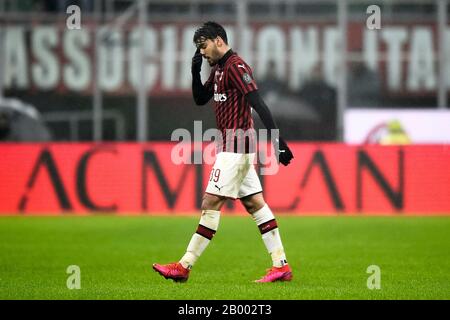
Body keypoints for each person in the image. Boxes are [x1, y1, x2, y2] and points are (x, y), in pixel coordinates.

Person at [153, 22, 294, 283]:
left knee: (210, 202)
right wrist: (195, 72)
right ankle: (281, 265)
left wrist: (278, 141)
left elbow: (258, 104)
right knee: (255, 204)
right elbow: (200, 99)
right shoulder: (218, 68)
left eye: (203, 46)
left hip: (237, 146)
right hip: (231, 145)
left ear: (219, 40)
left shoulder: (236, 67)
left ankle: (184, 266)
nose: (202, 52)